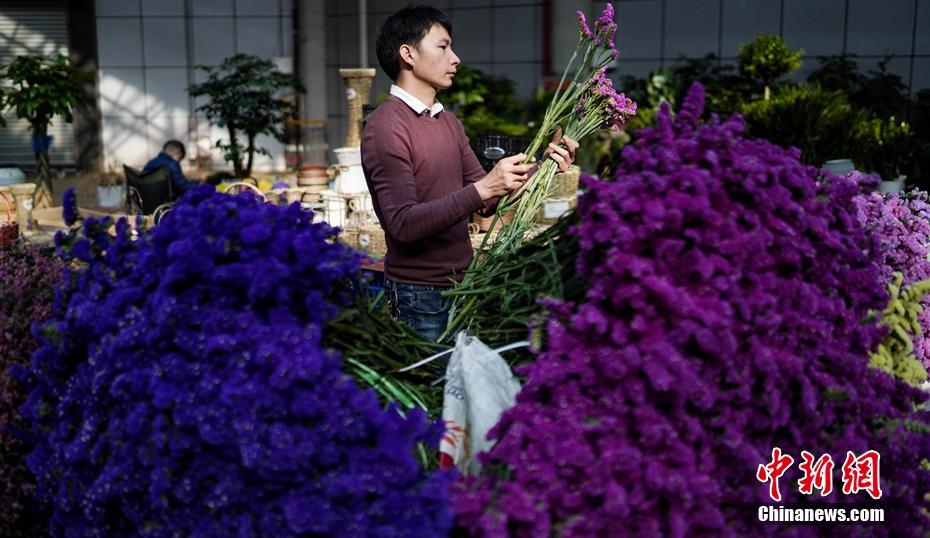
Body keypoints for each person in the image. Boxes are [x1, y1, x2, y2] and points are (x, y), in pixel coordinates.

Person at [362, 5, 578, 343]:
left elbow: (487, 204)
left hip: (463, 286)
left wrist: (544, 166)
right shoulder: (387, 127)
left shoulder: (447, 122)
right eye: (443, 46)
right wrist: (483, 188)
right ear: (408, 54)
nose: (455, 58)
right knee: (432, 394)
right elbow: (402, 223)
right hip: (420, 297)